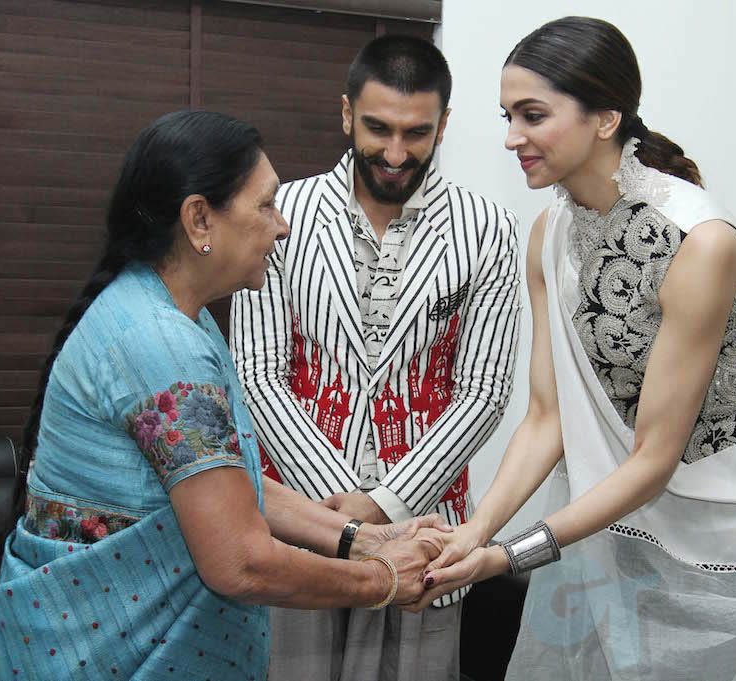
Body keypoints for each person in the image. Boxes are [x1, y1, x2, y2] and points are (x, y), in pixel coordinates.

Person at [409, 16, 736, 681]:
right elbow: (547, 416)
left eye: (532, 115)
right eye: (507, 115)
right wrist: (476, 530)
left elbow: (651, 458)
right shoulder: (549, 236)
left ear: (606, 117)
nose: (511, 138)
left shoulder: (701, 243)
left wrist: (506, 555)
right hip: (622, 527)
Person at [0, 110, 448, 681]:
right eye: (266, 205)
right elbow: (239, 561)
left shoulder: (175, 317)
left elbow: (226, 479)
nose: (283, 226)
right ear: (200, 219)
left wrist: (365, 539)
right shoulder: (159, 341)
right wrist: (382, 581)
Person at [231, 35, 522, 681]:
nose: (395, 153)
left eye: (417, 133)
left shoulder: (487, 229)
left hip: (427, 536)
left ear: (444, 125)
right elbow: (257, 374)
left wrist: (384, 506)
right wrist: (340, 517)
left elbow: (484, 391)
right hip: (298, 534)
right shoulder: (283, 215)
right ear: (345, 114)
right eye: (378, 128)